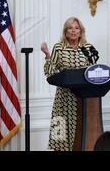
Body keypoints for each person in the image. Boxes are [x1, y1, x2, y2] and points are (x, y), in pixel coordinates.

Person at [41, 16, 97, 151]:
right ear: (65, 31)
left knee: (81, 134)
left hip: (83, 98)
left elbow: (93, 70)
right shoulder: (59, 48)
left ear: (81, 31)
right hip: (64, 98)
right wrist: (48, 55)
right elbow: (50, 72)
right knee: (60, 135)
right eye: (70, 28)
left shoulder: (88, 48)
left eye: (76, 28)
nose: (73, 31)